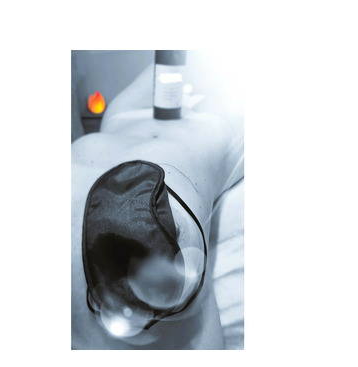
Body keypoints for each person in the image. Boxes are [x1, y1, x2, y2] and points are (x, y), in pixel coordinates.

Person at [71, 62, 243, 349]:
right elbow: (176, 60)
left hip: (85, 171)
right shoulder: (227, 109)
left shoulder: (125, 109)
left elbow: (177, 60)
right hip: (153, 194)